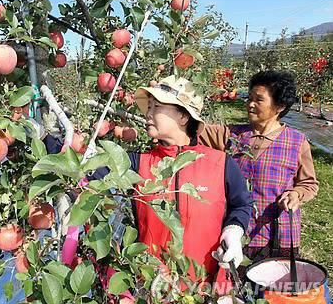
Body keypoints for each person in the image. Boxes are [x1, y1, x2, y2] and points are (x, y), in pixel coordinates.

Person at [47, 75, 253, 289]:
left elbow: (241, 204)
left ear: (183, 117)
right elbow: (86, 172)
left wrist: (234, 229)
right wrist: (47, 140)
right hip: (155, 289)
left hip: (209, 289)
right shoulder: (138, 163)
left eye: (157, 107)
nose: (148, 113)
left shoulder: (220, 163)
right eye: (149, 107)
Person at [199, 70, 319, 262]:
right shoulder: (232, 135)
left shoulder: (296, 141)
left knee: (273, 289)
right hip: (236, 232)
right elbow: (195, 128)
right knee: (236, 287)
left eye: (259, 100)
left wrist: (296, 194)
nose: (250, 104)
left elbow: (309, 183)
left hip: (277, 237)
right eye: (250, 98)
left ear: (279, 106)